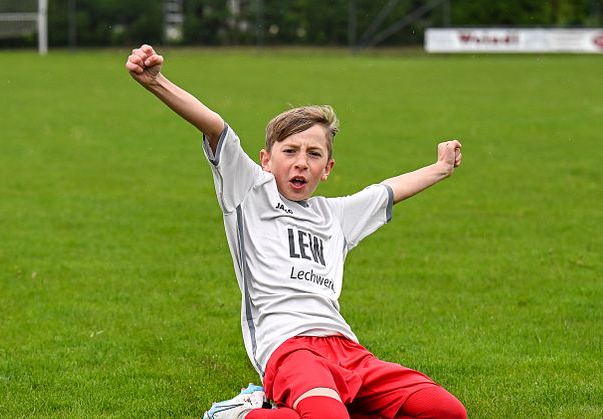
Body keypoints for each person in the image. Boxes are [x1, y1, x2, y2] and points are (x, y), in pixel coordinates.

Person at [125, 44, 467, 419]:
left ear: (328, 168)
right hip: (288, 350)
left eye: (314, 154)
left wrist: (441, 168)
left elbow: (385, 191)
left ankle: (265, 410)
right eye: (290, 151)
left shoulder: (335, 215)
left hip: (348, 351)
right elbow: (215, 125)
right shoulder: (249, 192)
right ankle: (235, 414)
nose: (301, 162)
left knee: (445, 411)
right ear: (266, 160)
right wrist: (156, 82)